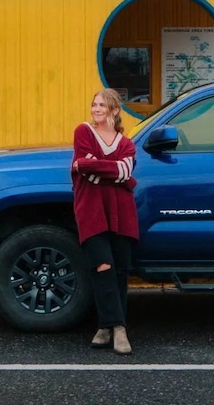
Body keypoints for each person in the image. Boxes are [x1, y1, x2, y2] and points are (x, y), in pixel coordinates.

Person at [71, 88, 139, 356]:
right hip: (91, 211)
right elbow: (82, 165)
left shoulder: (126, 143)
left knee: (120, 271)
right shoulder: (83, 132)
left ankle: (104, 327)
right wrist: (120, 176)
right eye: (94, 104)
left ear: (114, 110)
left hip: (121, 213)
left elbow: (122, 170)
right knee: (103, 267)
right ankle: (119, 329)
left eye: (102, 105)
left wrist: (106, 170)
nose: (96, 109)